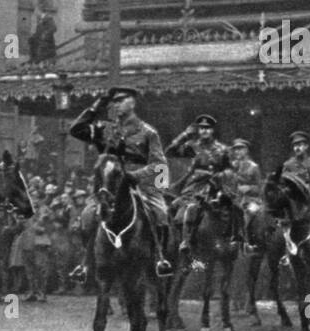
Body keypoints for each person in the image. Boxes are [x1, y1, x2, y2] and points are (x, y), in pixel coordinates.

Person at [67, 87, 174, 277]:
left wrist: (136, 175)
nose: (116, 104)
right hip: (108, 185)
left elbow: (159, 165)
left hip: (137, 183)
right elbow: (76, 129)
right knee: (86, 216)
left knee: (161, 214)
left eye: (121, 100)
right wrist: (98, 104)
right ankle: (85, 263)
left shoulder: (147, 132)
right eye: (113, 101)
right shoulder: (104, 129)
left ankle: (160, 258)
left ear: (132, 103)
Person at [165, 114, 230, 266]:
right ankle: (173, 245)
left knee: (194, 209)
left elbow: (230, 170)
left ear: (212, 130)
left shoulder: (222, 150)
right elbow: (169, 151)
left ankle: (187, 244)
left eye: (207, 128)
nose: (204, 131)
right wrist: (184, 135)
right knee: (171, 208)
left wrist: (218, 175)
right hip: (192, 186)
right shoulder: (192, 146)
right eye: (201, 128)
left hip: (212, 187)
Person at [229, 139, 265, 248]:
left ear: (246, 150)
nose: (237, 152)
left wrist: (248, 188)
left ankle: (249, 242)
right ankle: (232, 237)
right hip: (235, 200)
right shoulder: (232, 167)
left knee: (250, 213)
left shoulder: (253, 167)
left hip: (251, 200)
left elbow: (261, 188)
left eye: (240, 149)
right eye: (236, 149)